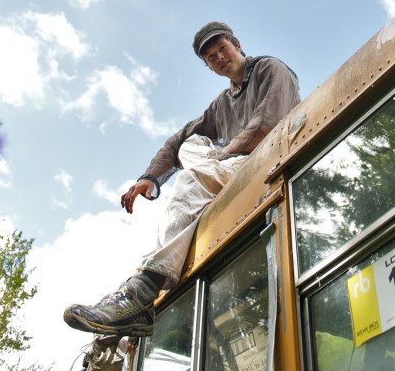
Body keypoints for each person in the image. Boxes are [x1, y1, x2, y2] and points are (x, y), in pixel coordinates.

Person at [64, 21, 300, 338]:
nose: (219, 57)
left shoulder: (270, 69)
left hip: (270, 159)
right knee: (190, 146)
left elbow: (265, 127)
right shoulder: (222, 104)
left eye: (223, 49)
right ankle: (110, 337)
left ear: (238, 45)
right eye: (211, 56)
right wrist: (149, 177)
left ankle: (140, 293)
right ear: (208, 66)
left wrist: (216, 157)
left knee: (191, 180)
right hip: (230, 171)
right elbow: (178, 142)